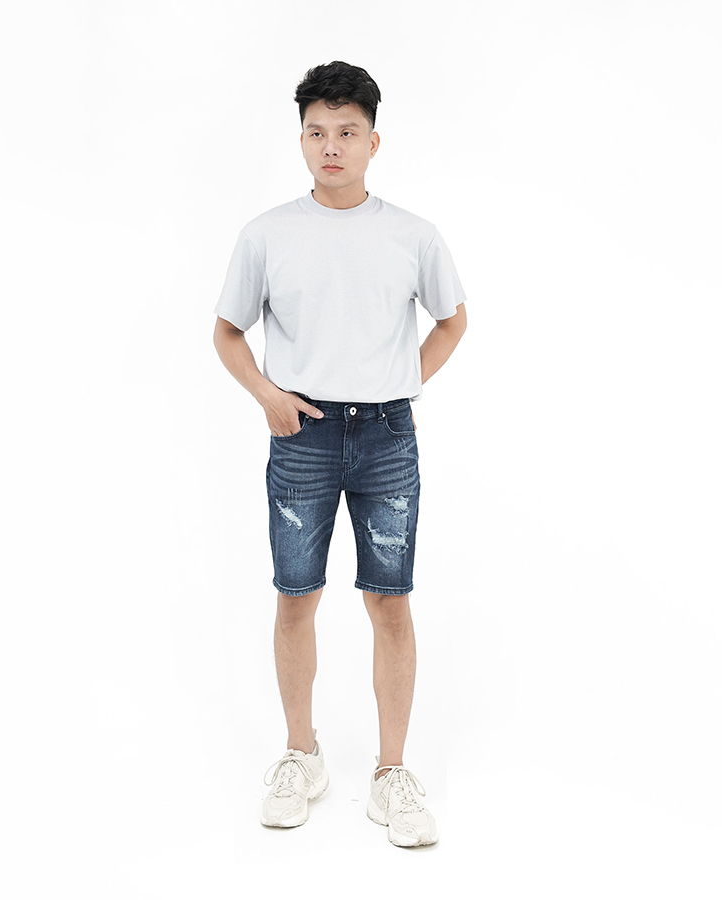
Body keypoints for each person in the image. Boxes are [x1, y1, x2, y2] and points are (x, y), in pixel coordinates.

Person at [212, 60, 467, 848]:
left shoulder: (413, 235)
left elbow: (453, 321)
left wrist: (401, 384)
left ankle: (392, 772)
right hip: (303, 435)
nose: (332, 146)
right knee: (297, 595)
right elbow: (227, 331)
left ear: (372, 142)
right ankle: (302, 754)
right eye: (317, 132)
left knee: (390, 600)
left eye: (347, 132)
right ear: (301, 140)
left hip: (387, 436)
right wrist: (268, 395)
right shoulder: (267, 235)